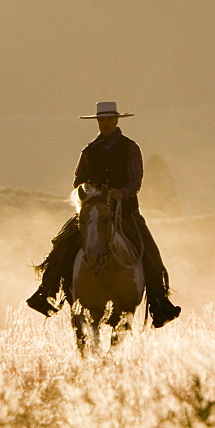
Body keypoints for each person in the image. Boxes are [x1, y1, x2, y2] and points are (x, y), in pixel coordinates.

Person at [26, 102, 182, 327]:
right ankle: (47, 294)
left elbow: (135, 180)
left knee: (150, 254)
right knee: (61, 247)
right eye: (103, 120)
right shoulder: (89, 150)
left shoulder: (130, 148)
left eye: (110, 119)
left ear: (116, 120)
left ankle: (159, 303)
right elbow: (78, 180)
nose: (106, 123)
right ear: (99, 122)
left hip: (126, 211)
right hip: (93, 209)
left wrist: (122, 193)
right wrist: (90, 192)